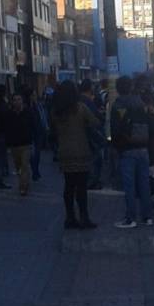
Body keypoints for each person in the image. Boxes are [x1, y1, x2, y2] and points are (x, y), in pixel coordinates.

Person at [52, 80, 99, 230]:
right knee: (81, 188)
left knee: (69, 186)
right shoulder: (80, 108)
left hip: (64, 152)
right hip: (81, 152)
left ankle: (70, 217)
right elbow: (94, 122)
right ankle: (84, 217)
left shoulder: (56, 111)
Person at [111, 76, 153, 228]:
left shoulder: (118, 105)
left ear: (118, 88)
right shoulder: (141, 103)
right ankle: (147, 217)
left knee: (129, 186)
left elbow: (115, 130)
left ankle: (130, 218)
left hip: (127, 150)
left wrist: (116, 148)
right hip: (143, 147)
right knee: (144, 184)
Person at [3, 93, 35, 196]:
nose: (17, 102)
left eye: (19, 99)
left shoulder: (28, 112)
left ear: (22, 101)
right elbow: (6, 129)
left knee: (24, 165)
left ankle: (23, 187)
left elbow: (33, 125)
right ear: (12, 102)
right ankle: (25, 181)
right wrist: (8, 144)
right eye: (15, 100)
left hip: (26, 144)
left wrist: (33, 138)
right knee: (18, 167)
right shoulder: (9, 114)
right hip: (14, 145)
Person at [29, 90, 48, 181]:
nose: (34, 97)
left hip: (39, 132)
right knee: (33, 154)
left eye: (35, 95)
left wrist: (45, 126)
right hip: (31, 133)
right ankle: (35, 171)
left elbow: (42, 116)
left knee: (37, 154)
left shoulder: (38, 106)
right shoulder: (28, 107)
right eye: (33, 95)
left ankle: (36, 171)